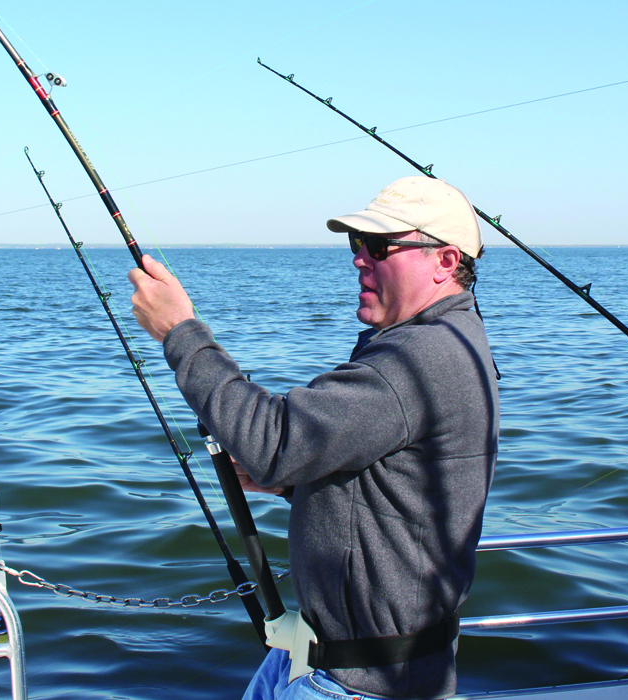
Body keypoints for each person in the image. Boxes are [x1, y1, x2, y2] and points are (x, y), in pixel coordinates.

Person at [127, 176, 499, 699]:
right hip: (316, 656)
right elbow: (398, 492)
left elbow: (274, 441)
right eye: (356, 243)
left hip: (357, 682)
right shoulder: (448, 343)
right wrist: (290, 486)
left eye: (378, 245)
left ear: (444, 261)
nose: (359, 259)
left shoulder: (418, 359)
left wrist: (180, 332)